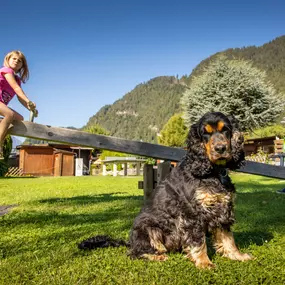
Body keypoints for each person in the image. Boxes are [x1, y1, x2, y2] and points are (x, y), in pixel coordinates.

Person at [0, 50, 37, 159]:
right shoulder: (6, 71)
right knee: (9, 114)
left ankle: (1, 135)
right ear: (8, 59)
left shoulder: (17, 79)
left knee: (19, 118)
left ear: (22, 66)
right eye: (14, 58)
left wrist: (30, 107)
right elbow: (16, 89)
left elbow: (20, 97)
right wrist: (28, 100)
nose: (16, 61)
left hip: (1, 104)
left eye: (20, 61)